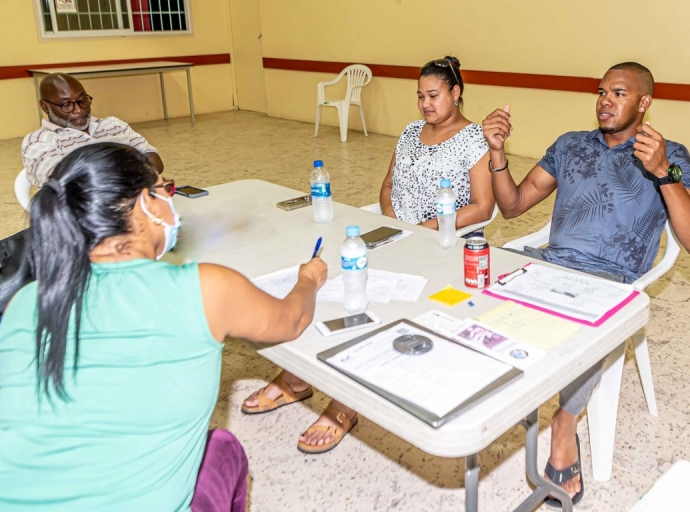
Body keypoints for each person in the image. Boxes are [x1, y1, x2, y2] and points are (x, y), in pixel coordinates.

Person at [0, 142, 327, 510]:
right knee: (224, 448)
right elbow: (293, 320)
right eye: (164, 189)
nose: (171, 201)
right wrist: (309, 279)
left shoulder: (26, 301)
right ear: (145, 202)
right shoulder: (205, 289)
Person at [482, 62, 690, 507]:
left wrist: (664, 173)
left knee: (586, 327)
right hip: (547, 263)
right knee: (473, 278)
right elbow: (514, 204)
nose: (605, 101)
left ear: (644, 103)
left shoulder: (669, 153)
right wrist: (497, 154)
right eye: (601, 92)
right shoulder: (571, 145)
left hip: (609, 280)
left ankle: (564, 421)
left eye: (618, 93)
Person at [379, 56, 494, 231]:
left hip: (445, 238)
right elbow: (388, 184)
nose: (425, 104)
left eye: (433, 96)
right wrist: (390, 216)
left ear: (455, 93)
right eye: (420, 96)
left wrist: (421, 229)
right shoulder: (411, 131)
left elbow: (482, 208)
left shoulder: (475, 139)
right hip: (397, 233)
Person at [21, 73, 164, 187]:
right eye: (66, 105)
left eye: (82, 100)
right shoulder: (38, 141)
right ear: (45, 107)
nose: (78, 110)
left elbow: (155, 161)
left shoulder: (114, 125)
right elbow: (63, 183)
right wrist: (129, 166)